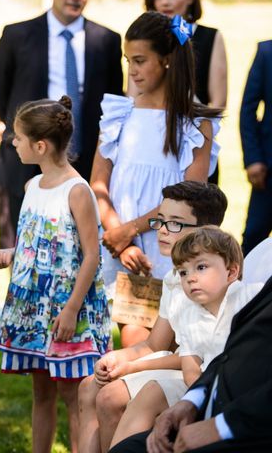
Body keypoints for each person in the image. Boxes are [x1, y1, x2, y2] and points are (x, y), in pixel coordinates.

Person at [90, 11, 221, 347]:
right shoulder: (121, 114)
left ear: (165, 61)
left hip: (173, 251)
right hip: (129, 256)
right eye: (127, 60)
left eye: (139, 60)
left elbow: (191, 196)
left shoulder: (193, 123)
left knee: (174, 351)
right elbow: (99, 184)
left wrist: (128, 231)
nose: (131, 70)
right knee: (134, 350)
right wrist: (120, 240)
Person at [0, 97, 111, 453]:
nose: (13, 142)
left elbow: (91, 255)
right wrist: (11, 254)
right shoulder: (31, 188)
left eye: (19, 137)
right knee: (41, 393)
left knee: (75, 396)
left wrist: (72, 309)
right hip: (34, 312)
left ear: (40, 146)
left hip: (67, 310)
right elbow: (42, 244)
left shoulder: (77, 192)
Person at [77, 181, 228, 453]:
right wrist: (117, 358)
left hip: (200, 371)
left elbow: (196, 357)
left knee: (111, 397)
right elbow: (155, 344)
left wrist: (132, 368)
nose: (162, 231)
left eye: (176, 223)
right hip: (179, 362)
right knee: (89, 387)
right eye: (160, 221)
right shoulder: (174, 278)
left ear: (207, 230)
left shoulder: (210, 281)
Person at [0, 0, 123, 249]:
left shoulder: (107, 40)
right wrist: (23, 134)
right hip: (23, 162)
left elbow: (112, 99)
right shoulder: (17, 35)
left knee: (76, 246)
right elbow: (0, 92)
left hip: (84, 161)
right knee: (20, 248)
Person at [109, 227, 261, 449]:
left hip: (249, 393)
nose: (190, 278)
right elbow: (191, 372)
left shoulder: (249, 298)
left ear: (231, 272)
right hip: (210, 392)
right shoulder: (189, 313)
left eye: (201, 267)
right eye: (183, 272)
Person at [109, 284, 272, 453]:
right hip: (207, 398)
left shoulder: (240, 291)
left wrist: (219, 426)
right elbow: (225, 357)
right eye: (183, 272)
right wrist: (191, 401)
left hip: (246, 428)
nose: (189, 279)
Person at [141, 0, 228, 185]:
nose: (164, 1)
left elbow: (218, 102)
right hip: (151, 143)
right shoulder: (144, 41)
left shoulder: (209, 37)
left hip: (194, 141)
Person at [240, 40, 272, 256]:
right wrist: (253, 159)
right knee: (254, 235)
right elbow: (248, 110)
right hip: (269, 167)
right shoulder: (267, 53)